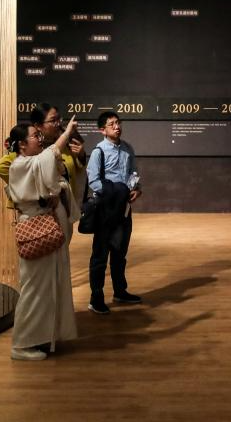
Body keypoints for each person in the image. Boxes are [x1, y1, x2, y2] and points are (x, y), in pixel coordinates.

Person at [5, 116, 80, 360]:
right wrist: (66, 133)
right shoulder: (19, 165)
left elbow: (48, 166)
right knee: (34, 288)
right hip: (36, 227)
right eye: (35, 136)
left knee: (48, 285)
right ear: (21, 144)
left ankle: (43, 336)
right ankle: (21, 345)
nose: (39, 139)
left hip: (46, 224)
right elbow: (49, 157)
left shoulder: (31, 162)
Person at [86, 111, 142, 314]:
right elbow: (93, 181)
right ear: (102, 130)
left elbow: (133, 173)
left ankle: (120, 291)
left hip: (124, 210)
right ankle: (96, 298)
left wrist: (136, 189)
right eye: (112, 124)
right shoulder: (98, 152)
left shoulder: (128, 148)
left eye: (118, 123)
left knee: (120, 253)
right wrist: (115, 193)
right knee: (100, 256)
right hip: (106, 210)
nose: (117, 127)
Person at [0, 103, 86, 219]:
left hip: (64, 205)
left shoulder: (66, 143)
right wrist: (31, 185)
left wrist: (81, 155)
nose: (58, 124)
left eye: (59, 119)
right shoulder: (27, 148)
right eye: (53, 120)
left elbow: (74, 168)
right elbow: (1, 167)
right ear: (38, 126)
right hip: (38, 212)